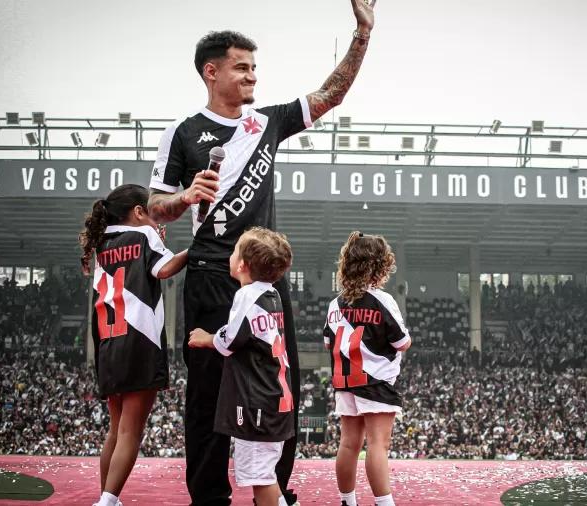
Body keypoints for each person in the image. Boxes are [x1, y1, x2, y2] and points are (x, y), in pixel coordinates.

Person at [146, 1, 377, 504]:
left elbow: (330, 95)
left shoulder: (267, 122)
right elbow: (152, 208)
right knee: (206, 390)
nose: (253, 76)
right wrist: (185, 198)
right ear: (212, 72)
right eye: (242, 67)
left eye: (255, 67)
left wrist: (362, 34)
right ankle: (208, 495)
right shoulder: (182, 133)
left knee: (280, 383)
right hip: (210, 272)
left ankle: (276, 489)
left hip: (264, 279)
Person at [79, 184, 188, 506]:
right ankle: (108, 501)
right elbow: (165, 269)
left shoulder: (101, 244)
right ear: (140, 212)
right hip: (140, 340)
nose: (158, 221)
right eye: (154, 213)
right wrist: (197, 249)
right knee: (130, 431)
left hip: (108, 342)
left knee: (115, 429)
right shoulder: (143, 236)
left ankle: (106, 496)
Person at [187, 228, 295, 506]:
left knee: (261, 479)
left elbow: (230, 340)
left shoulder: (246, 296)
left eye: (234, 250)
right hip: (275, 400)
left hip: (257, 404)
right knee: (266, 473)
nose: (230, 254)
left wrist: (206, 338)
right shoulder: (272, 296)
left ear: (242, 265)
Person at [324, 231, 411, 506]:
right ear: (378, 267)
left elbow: (328, 342)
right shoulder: (383, 301)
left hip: (345, 380)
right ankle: (384, 504)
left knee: (348, 444)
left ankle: (347, 502)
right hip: (376, 382)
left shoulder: (334, 304)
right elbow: (402, 342)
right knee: (377, 445)